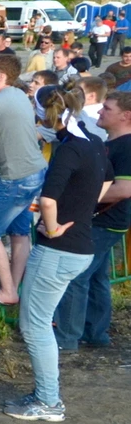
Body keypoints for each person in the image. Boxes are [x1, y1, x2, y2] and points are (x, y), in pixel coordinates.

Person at [5, 87, 106, 423]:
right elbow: (105, 181)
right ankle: (46, 396)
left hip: (59, 250)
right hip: (80, 245)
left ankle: (48, 401)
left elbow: (48, 200)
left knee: (35, 325)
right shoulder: (92, 141)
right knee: (40, 322)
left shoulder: (69, 149)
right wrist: (83, 207)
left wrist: (51, 228)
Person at [55, 91, 131, 350]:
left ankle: (67, 337)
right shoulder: (113, 142)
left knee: (76, 276)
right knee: (97, 277)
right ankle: (95, 333)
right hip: (104, 219)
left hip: (105, 220)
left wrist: (81, 198)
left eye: (107, 109)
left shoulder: (127, 146)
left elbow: (124, 189)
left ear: (126, 116)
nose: (99, 111)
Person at [0, 54, 47, 305]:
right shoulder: (18, 95)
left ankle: (7, 291)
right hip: (35, 172)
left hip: (15, 177)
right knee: (19, 232)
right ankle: (13, 288)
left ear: (1, 76)